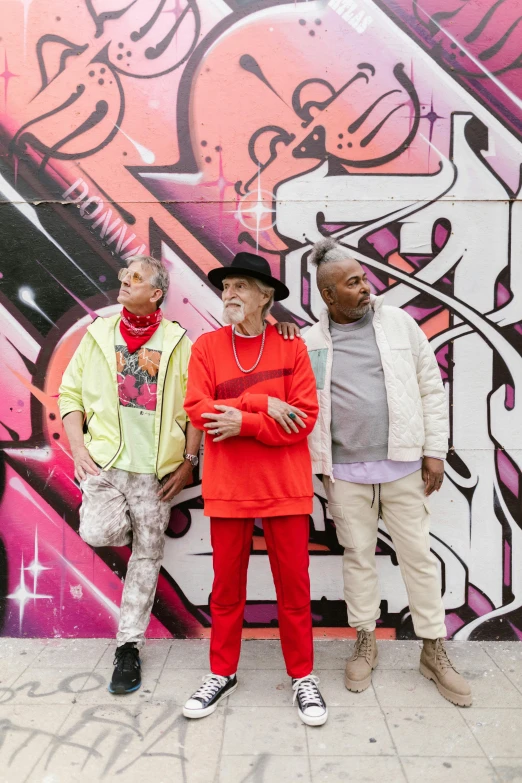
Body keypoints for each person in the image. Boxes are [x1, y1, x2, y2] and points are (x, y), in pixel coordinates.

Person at [303, 238, 472, 708]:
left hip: (402, 466)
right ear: (328, 296)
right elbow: (309, 405)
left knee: (418, 555)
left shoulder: (399, 324)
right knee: (358, 556)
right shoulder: (311, 341)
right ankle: (365, 640)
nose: (366, 288)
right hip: (345, 473)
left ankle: (433, 649)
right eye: (352, 283)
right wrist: (320, 466)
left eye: (362, 278)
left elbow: (430, 388)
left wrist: (434, 451)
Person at [182, 251, 328, 725]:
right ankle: (222, 673)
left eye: (241, 286)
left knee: (294, 587)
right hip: (228, 487)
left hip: (284, 485)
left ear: (266, 297)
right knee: (226, 588)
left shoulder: (291, 348)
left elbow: (304, 418)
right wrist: (260, 403)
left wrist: (241, 420)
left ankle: (302, 675)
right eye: (226, 287)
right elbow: (198, 409)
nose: (230, 294)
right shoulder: (206, 347)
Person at [59, 255, 201, 695]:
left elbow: (196, 405)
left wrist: (188, 460)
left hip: (155, 474)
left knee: (146, 559)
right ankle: (127, 642)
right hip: (106, 465)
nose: (124, 282)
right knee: (98, 531)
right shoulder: (98, 333)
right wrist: (79, 448)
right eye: (123, 275)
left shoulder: (178, 341)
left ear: (156, 293)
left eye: (135, 278)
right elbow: (70, 392)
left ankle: (128, 647)